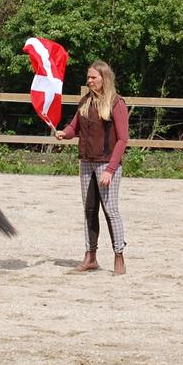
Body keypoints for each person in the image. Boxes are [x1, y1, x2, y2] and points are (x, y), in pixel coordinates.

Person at [55, 60, 129, 275]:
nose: (89, 81)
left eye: (93, 77)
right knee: (89, 210)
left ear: (104, 79)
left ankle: (119, 256)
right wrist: (64, 134)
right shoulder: (85, 102)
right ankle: (90, 256)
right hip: (86, 163)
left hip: (107, 164)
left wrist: (110, 169)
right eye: (88, 77)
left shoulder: (116, 103)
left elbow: (123, 139)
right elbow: (74, 127)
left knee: (110, 210)